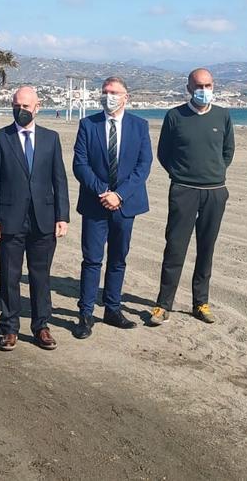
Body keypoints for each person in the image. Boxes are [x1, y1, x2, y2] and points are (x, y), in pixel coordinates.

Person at [0, 86, 69, 351]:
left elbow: (60, 180)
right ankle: (9, 328)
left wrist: (62, 216)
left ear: (37, 107)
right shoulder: (0, 138)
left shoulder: (51, 139)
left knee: (40, 275)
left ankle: (41, 326)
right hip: (9, 219)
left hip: (43, 219)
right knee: (9, 275)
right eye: (16, 106)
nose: (21, 111)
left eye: (26, 107)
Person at [148, 68, 235, 327]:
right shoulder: (175, 116)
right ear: (188, 88)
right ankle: (163, 305)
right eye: (198, 86)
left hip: (215, 192)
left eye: (208, 85)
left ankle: (201, 303)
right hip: (183, 190)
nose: (204, 90)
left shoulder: (223, 115)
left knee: (206, 249)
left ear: (213, 86)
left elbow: (228, 151)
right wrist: (182, 175)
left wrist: (215, 172)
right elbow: (164, 153)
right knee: (175, 247)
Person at [71, 76, 152, 339]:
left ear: (126, 96)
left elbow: (143, 166)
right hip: (96, 204)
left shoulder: (140, 126)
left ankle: (112, 309)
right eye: (105, 92)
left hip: (125, 205)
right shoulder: (88, 124)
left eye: (114, 92)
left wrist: (120, 195)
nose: (109, 96)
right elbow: (80, 164)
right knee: (92, 259)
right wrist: (102, 191)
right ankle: (85, 313)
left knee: (118, 259)